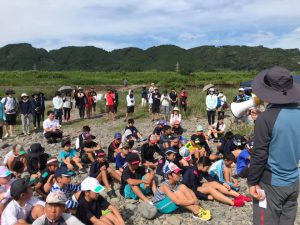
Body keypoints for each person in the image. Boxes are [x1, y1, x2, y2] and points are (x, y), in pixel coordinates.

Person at [248, 66, 300, 225]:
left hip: (271, 184)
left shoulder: (267, 118)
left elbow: (259, 154)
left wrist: (252, 182)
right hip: (293, 181)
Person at [183, 157, 249, 207]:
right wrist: (206, 197)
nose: (208, 169)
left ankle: (239, 196)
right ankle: (232, 202)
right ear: (200, 165)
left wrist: (223, 183)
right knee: (209, 189)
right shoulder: (191, 172)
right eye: (207, 167)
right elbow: (192, 189)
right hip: (190, 190)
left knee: (215, 183)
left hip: (196, 186)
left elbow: (210, 178)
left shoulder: (200, 169)